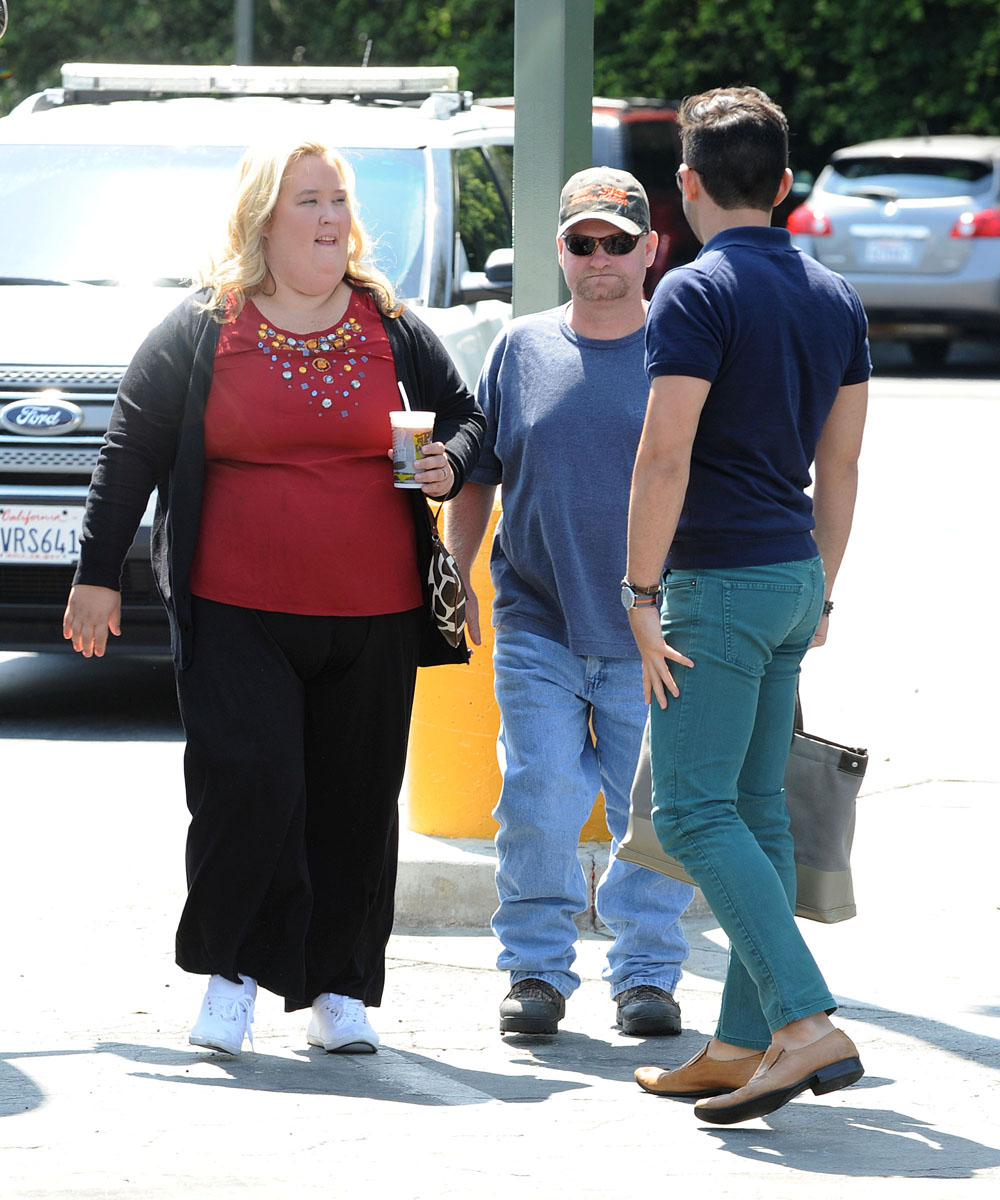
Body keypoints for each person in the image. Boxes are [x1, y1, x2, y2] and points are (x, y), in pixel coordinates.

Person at [62, 135, 484, 1057]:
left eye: (338, 200)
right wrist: (97, 577)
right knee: (249, 790)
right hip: (235, 609)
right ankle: (233, 976)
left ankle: (340, 990)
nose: (331, 217)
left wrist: (448, 462)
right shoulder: (205, 325)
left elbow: (466, 417)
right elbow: (129, 451)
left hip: (372, 614)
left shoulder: (391, 322)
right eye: (309, 201)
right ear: (263, 218)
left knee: (357, 803)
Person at [624, 87, 870, 1123]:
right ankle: (735, 1045)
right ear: (783, 187)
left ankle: (801, 1022)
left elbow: (664, 452)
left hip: (715, 583)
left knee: (688, 809)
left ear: (682, 187)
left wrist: (639, 594)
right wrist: (821, 586)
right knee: (756, 810)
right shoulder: (833, 295)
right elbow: (842, 466)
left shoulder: (691, 291)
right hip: (788, 578)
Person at [444, 167, 694, 1038]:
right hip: (538, 619)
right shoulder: (520, 348)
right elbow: (478, 473)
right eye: (583, 243)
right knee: (538, 793)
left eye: (618, 243)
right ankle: (538, 972)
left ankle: (648, 974)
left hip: (652, 632)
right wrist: (455, 572)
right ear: (559, 250)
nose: (600, 259)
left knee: (649, 813)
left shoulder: (686, 345)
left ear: (650, 250)